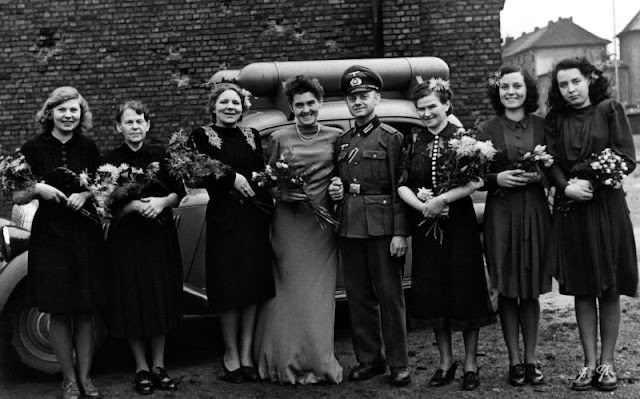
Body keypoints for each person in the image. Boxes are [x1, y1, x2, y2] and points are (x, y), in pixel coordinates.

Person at [544, 57, 638, 392]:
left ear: (589, 79)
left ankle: (608, 364)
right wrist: (565, 186)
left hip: (607, 208)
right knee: (582, 287)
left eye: (575, 82)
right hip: (573, 209)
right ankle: (587, 364)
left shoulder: (610, 110)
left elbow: (626, 158)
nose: (570, 90)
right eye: (563, 85)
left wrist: (596, 180)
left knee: (609, 287)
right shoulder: (556, 119)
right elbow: (550, 160)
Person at [396, 79, 495, 391]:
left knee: (464, 289)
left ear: (446, 106)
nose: (426, 114)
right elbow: (401, 182)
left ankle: (470, 363)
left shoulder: (464, 138)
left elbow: (476, 180)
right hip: (427, 227)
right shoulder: (412, 141)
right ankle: (445, 361)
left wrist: (442, 201)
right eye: (421, 108)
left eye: (432, 107)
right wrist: (424, 207)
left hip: (459, 224)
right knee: (434, 289)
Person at [252, 75, 343, 384]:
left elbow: (341, 175)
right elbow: (269, 182)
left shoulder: (335, 136)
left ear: (320, 104)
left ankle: (318, 360)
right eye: (299, 104)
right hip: (289, 222)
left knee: (318, 294)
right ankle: (282, 361)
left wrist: (337, 186)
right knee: (287, 292)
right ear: (290, 107)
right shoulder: (279, 137)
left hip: (322, 226)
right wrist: (282, 193)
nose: (305, 110)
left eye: (311, 103)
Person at [18, 86, 104, 399]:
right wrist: (38, 188)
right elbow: (17, 192)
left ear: (82, 114)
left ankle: (85, 377)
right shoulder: (33, 148)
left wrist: (87, 194)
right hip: (50, 238)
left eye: (74, 110)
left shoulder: (90, 147)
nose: (68, 116)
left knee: (85, 309)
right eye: (62, 110)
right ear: (50, 112)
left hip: (85, 236)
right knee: (58, 310)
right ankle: (67, 380)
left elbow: (103, 189)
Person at [328, 65, 411, 387]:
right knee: (359, 297)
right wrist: (336, 191)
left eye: (364, 95)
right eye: (352, 97)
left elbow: (399, 186)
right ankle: (369, 359)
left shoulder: (392, 138)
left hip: (383, 226)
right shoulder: (343, 141)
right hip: (350, 224)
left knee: (390, 297)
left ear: (377, 97)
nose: (358, 102)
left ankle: (399, 362)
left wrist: (400, 232)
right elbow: (340, 182)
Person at [190, 82, 275, 384]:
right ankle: (230, 354)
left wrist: (271, 181)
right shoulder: (201, 136)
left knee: (252, 287)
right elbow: (197, 173)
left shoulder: (251, 135)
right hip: (224, 221)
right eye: (224, 102)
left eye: (236, 103)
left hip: (253, 219)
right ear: (213, 106)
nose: (230, 107)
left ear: (243, 107)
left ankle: (247, 352)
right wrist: (231, 177)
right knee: (228, 289)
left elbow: (261, 170)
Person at [474, 66, 551, 386]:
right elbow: (474, 176)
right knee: (506, 288)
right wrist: (497, 179)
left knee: (530, 288)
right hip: (501, 213)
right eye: (504, 87)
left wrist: (540, 177)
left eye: (516, 86)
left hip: (533, 210)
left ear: (526, 89)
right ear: (498, 91)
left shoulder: (543, 126)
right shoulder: (486, 128)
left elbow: (556, 168)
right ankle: (514, 361)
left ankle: (532, 360)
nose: (511, 92)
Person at [104, 101, 184, 395]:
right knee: (133, 300)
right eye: (129, 122)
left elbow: (180, 193)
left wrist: (162, 202)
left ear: (148, 125)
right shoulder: (110, 161)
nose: (135, 126)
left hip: (159, 239)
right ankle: (141, 366)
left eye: (140, 121)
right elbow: (106, 206)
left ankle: (160, 365)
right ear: (119, 127)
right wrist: (133, 205)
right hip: (127, 242)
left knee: (159, 298)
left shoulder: (163, 156)